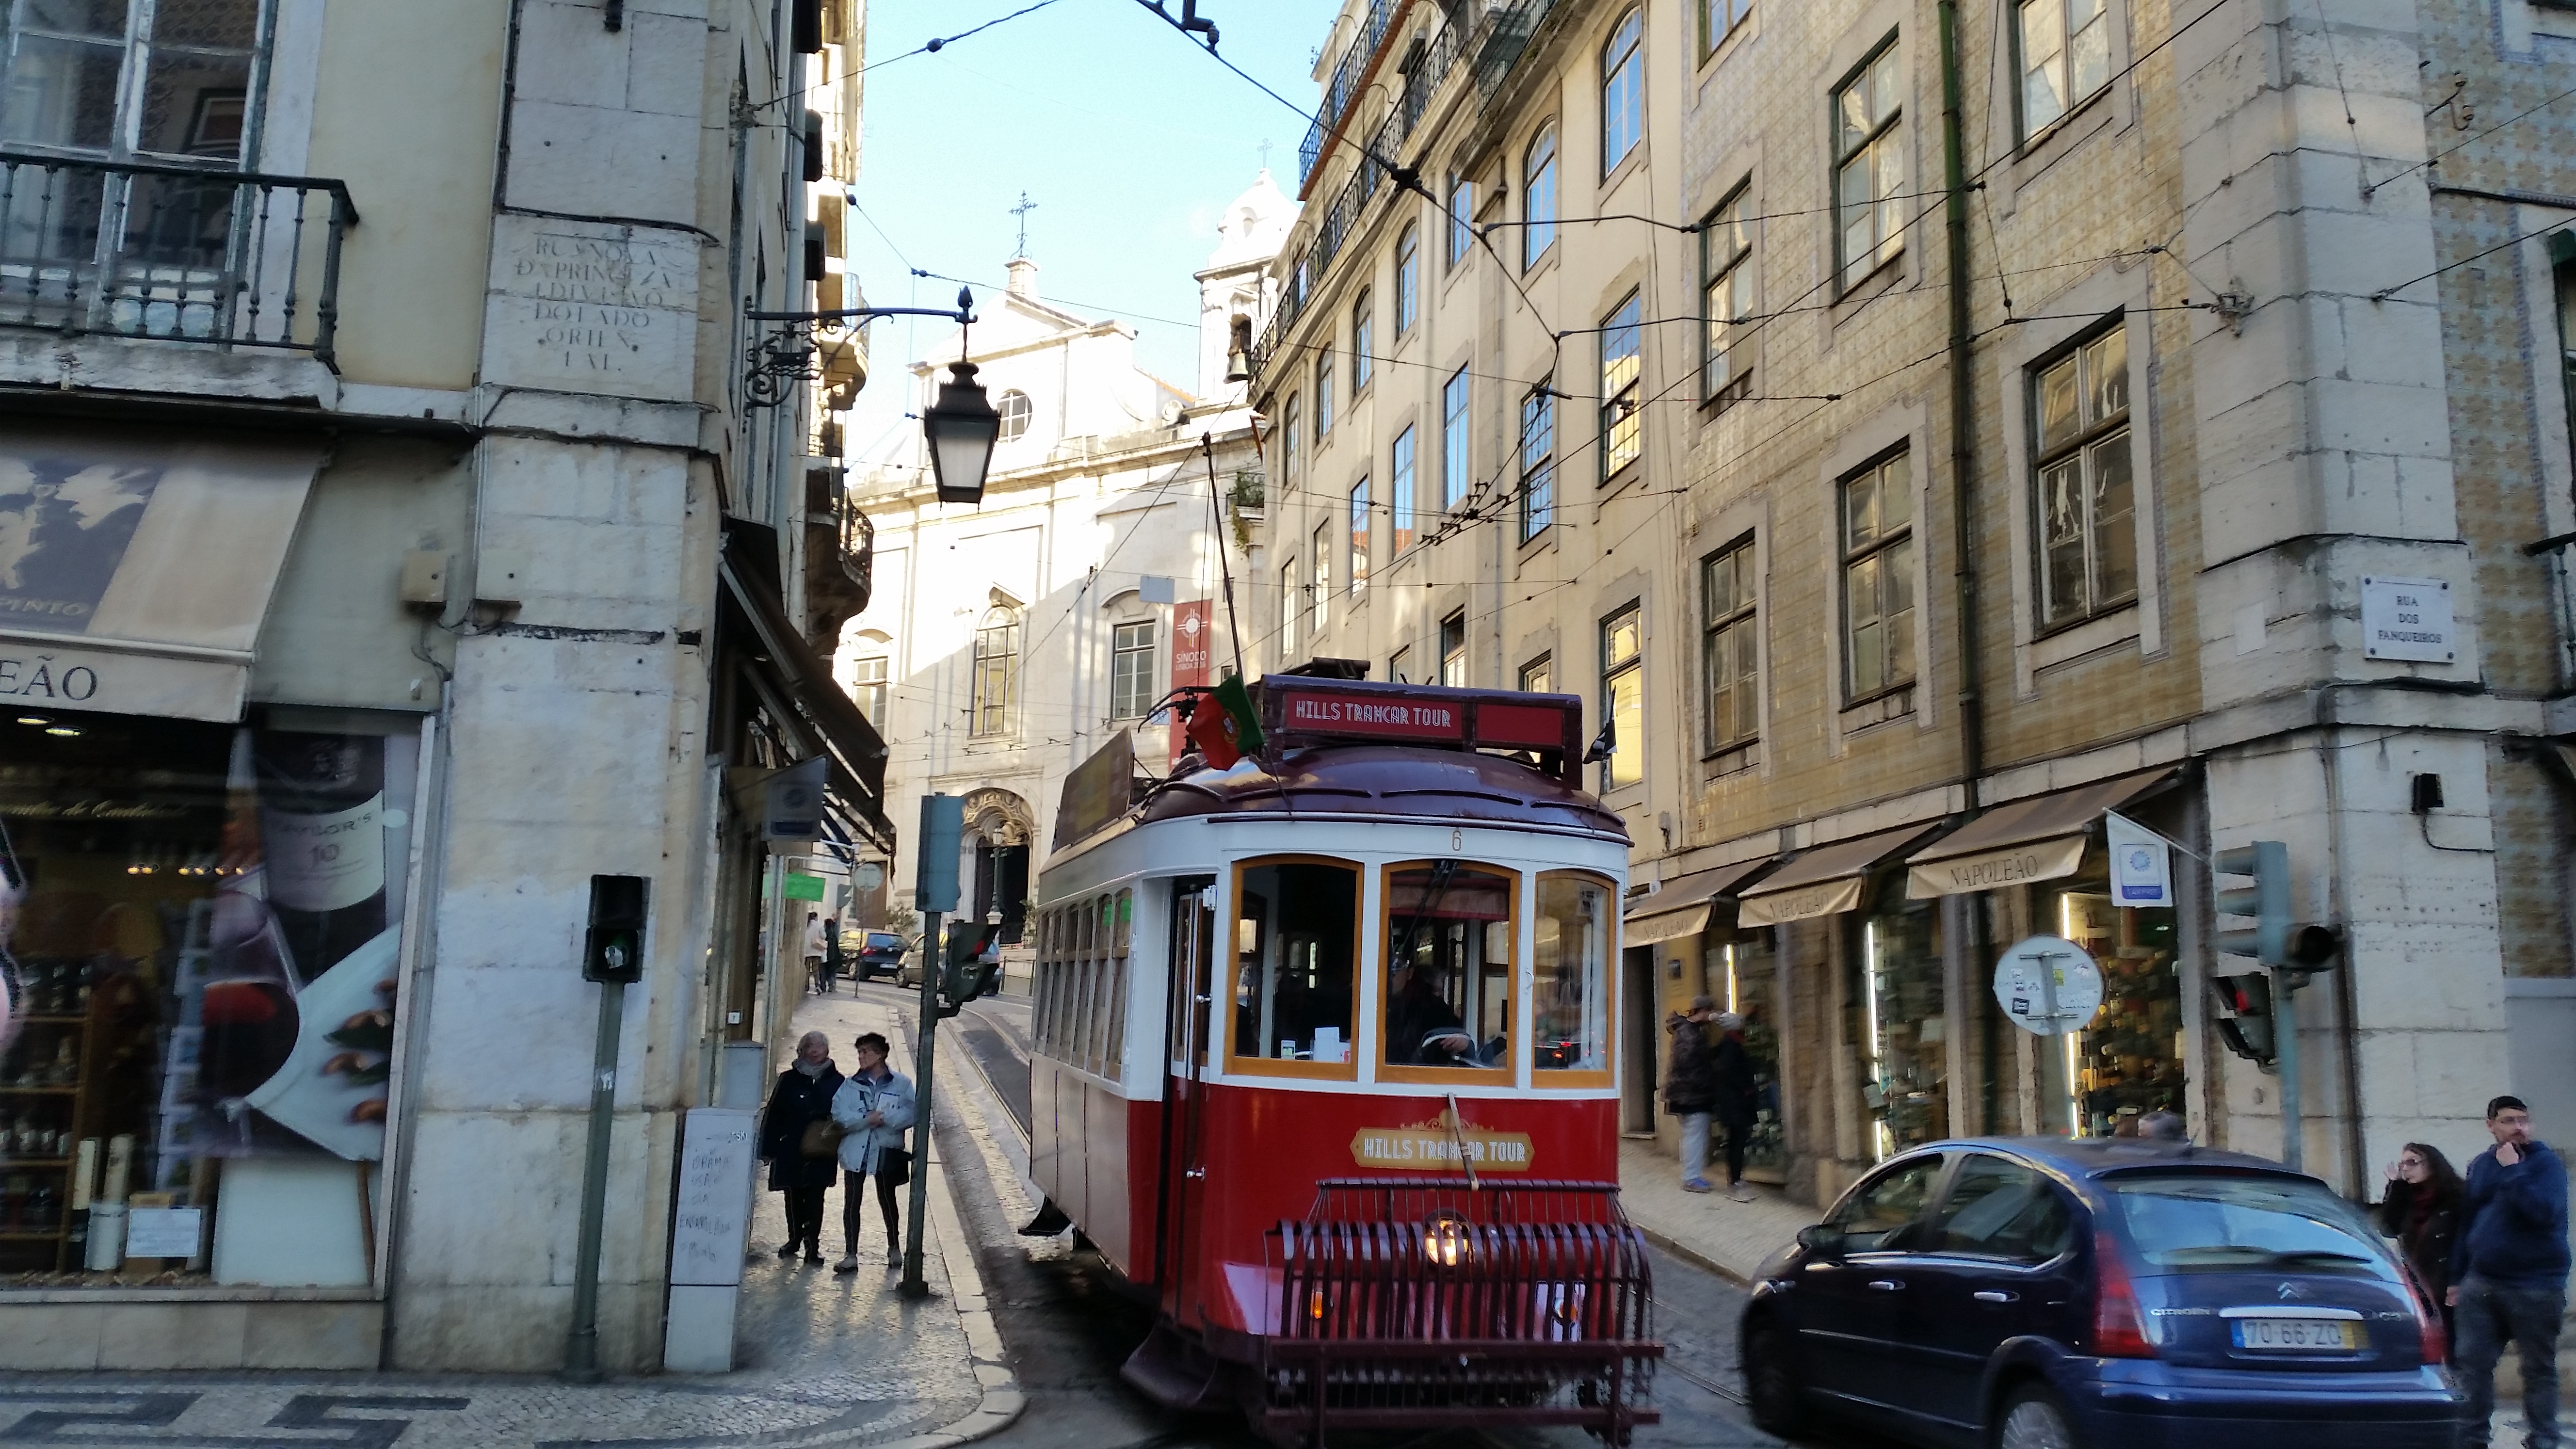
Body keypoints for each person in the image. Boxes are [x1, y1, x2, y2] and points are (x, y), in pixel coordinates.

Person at [2450, 1095, 2568, 1449]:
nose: (2519, 1128)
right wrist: (2457, 1277)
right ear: (2491, 1126)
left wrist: (2514, 1171)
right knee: (2471, 1366)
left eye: (2524, 1120)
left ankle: (2544, 1438)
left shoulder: (2546, 1164)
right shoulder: (2482, 1164)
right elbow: (2468, 1220)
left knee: (2537, 1368)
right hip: (2482, 1282)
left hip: (2534, 1285)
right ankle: (2471, 1438)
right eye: (2509, 1121)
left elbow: (2543, 1213)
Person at [829, 1030, 917, 1271]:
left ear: (880, 1055)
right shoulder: (850, 1085)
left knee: (888, 1200)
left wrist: (886, 1118)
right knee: (852, 1203)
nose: (861, 1056)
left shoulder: (901, 1084)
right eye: (859, 1052)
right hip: (856, 1151)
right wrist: (866, 1120)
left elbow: (913, 1112)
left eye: (865, 1052)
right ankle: (850, 1254)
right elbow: (840, 1116)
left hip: (886, 1151)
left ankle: (894, 1248)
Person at [756, 1031, 842, 1263]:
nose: (814, 1050)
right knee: (793, 1195)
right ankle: (794, 1239)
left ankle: (812, 1246)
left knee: (816, 1196)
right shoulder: (789, 1079)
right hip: (791, 1146)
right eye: (809, 1046)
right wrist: (768, 1149)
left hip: (821, 1148)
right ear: (801, 1051)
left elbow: (844, 1116)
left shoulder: (838, 1081)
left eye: (819, 1046)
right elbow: (774, 1114)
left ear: (827, 1051)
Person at [2380, 1141, 2463, 1343]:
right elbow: (2390, 1228)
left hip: (2449, 1282)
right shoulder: (2407, 1196)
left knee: (2453, 1341)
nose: (2406, 1169)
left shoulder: (2455, 1195)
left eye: (2413, 1162)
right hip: (2420, 1282)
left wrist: (2456, 1280)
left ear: (2433, 1164)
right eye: (2403, 1165)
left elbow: (2463, 1240)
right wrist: (2396, 1187)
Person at [1662, 996, 1719, 1193]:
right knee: (1695, 1136)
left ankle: (1691, 1176)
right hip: (1691, 1095)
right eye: (1710, 1012)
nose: (1711, 1016)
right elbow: (1689, 1065)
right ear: (1702, 1011)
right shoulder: (1691, 1034)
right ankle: (1691, 1178)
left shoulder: (1685, 1031)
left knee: (1690, 1135)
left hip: (1684, 1094)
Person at [1710, 1010, 1760, 1202]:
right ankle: (1735, 1182)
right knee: (1737, 1143)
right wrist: (1746, 1089)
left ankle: (1736, 1179)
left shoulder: (1729, 1045)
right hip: (1736, 1104)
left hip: (1734, 1103)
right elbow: (1732, 1074)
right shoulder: (1731, 1048)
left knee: (1736, 1142)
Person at [1385, 959, 1474, 1064]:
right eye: (1435, 990)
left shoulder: (1398, 1006)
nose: (1439, 995)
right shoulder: (1432, 1009)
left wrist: (1464, 1043)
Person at [802, 912, 828, 995]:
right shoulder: (819, 925)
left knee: (807, 969)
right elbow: (824, 936)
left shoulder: (806, 925)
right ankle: (817, 985)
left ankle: (806, 985)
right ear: (816, 917)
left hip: (807, 950)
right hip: (816, 950)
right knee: (816, 969)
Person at [821, 917, 844, 994]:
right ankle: (832, 986)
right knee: (832, 972)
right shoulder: (833, 934)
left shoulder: (826, 934)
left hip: (827, 956)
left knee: (826, 972)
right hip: (834, 957)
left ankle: (828, 986)